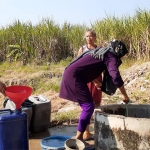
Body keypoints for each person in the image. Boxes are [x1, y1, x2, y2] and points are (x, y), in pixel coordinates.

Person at [59, 39, 130, 146]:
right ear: (119, 51)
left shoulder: (102, 52)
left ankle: (81, 135)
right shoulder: (111, 56)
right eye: (122, 55)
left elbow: (85, 66)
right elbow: (115, 76)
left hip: (72, 73)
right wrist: (124, 95)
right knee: (88, 106)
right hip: (74, 77)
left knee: (88, 105)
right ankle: (78, 139)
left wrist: (96, 81)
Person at [78, 29, 102, 141]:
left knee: (97, 104)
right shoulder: (82, 50)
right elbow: (77, 65)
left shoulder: (99, 50)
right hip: (86, 79)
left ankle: (98, 129)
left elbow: (103, 65)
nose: (89, 38)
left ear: (95, 37)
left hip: (97, 77)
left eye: (91, 36)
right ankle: (86, 132)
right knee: (87, 105)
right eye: (87, 36)